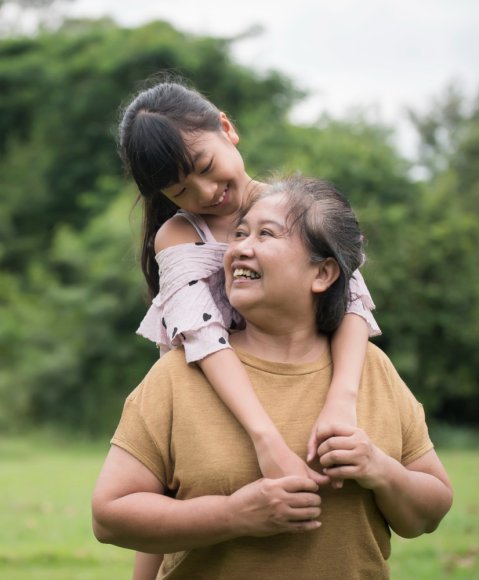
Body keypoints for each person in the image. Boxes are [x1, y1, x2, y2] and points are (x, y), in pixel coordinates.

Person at [91, 176, 453, 579]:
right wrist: (234, 515)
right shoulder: (178, 374)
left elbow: (429, 513)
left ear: (324, 273)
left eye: (266, 234)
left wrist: (380, 469)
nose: (240, 248)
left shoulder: (372, 369)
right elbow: (109, 517)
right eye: (240, 233)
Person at [117, 80, 380, 577]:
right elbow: (205, 338)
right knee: (164, 487)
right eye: (179, 190)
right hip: (210, 379)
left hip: (296, 366)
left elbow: (352, 305)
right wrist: (265, 438)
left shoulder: (296, 210)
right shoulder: (179, 233)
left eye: (206, 169)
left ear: (226, 128)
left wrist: (341, 399)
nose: (205, 194)